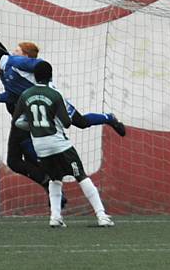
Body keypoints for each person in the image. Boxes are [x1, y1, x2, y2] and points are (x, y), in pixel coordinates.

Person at [0, 21, 125, 208]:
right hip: (32, 114)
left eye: (18, 50)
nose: (14, 52)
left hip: (50, 102)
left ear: (26, 56)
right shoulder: (6, 71)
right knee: (27, 154)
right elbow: (11, 90)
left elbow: (40, 65)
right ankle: (54, 187)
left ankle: (108, 118)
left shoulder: (15, 63)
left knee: (80, 122)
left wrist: (46, 89)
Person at [12, 60, 114, 227]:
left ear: (34, 76)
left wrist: (32, 125)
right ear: (50, 75)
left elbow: (17, 121)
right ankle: (101, 215)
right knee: (80, 175)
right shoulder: (54, 94)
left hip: (40, 147)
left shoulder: (25, 95)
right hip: (59, 144)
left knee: (54, 179)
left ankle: (55, 217)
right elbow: (67, 122)